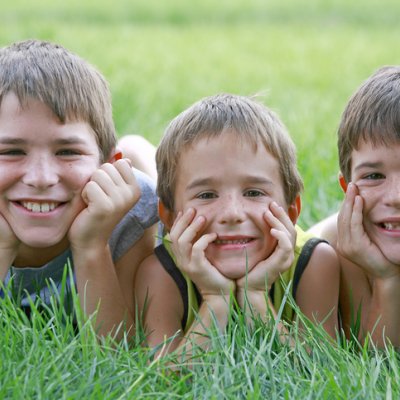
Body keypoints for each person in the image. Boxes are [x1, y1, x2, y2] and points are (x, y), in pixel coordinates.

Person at [134, 93, 340, 357]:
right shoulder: (160, 272)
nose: (232, 214)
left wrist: (256, 295)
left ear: (291, 212)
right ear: (170, 218)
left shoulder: (316, 262)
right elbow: (163, 379)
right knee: (133, 149)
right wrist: (215, 299)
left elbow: (318, 369)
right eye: (206, 195)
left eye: (254, 193)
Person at [0, 39, 158, 338]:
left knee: (163, 191)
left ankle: (137, 152)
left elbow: (118, 351)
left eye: (67, 151)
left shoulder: (131, 207)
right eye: (10, 152)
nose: (41, 178)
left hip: (134, 183)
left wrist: (92, 244)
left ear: (107, 165)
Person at [308, 66, 400, 347]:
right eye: (373, 176)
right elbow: (379, 365)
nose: (395, 196)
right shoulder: (324, 257)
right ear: (346, 188)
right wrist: (386, 279)